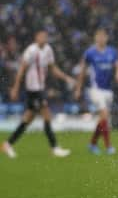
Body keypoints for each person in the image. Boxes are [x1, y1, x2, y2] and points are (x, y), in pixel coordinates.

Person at [1, 30, 73, 158]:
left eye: (45, 36)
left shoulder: (48, 50)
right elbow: (22, 69)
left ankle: (8, 144)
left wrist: (66, 78)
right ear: (36, 37)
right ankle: (54, 147)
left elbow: (53, 68)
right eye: (41, 36)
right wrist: (15, 88)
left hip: (40, 89)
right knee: (46, 114)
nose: (43, 38)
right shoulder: (31, 51)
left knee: (27, 119)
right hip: (33, 90)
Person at [74, 28, 118, 155]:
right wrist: (78, 88)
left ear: (106, 38)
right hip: (95, 89)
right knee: (105, 116)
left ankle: (92, 144)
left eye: (103, 36)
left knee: (102, 120)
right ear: (95, 38)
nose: (101, 38)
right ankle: (109, 147)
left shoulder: (112, 52)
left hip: (108, 90)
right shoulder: (90, 53)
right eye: (99, 36)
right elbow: (82, 71)